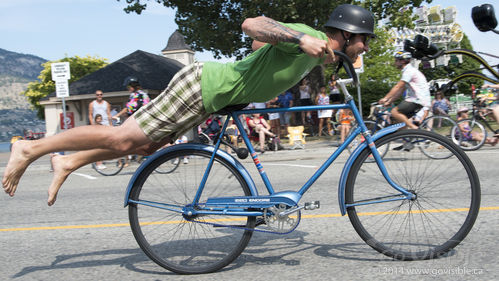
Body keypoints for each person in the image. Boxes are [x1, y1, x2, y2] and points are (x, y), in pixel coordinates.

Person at [3, 4, 375, 206]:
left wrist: (264, 73)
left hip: (213, 97)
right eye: (364, 42)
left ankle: (67, 161)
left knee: (147, 146)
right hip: (201, 87)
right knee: (122, 139)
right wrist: (296, 38)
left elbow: (259, 48)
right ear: (346, 35)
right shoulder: (309, 39)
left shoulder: (314, 55)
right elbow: (252, 24)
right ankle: (31, 147)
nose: (366, 49)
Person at [379, 51, 431, 129]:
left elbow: (397, 87)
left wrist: (385, 98)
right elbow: (400, 91)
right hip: (419, 100)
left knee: (394, 112)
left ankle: (414, 128)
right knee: (399, 122)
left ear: (402, 61)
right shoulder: (409, 71)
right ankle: (408, 137)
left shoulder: (409, 71)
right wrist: (390, 101)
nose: (395, 63)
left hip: (416, 99)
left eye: (396, 60)